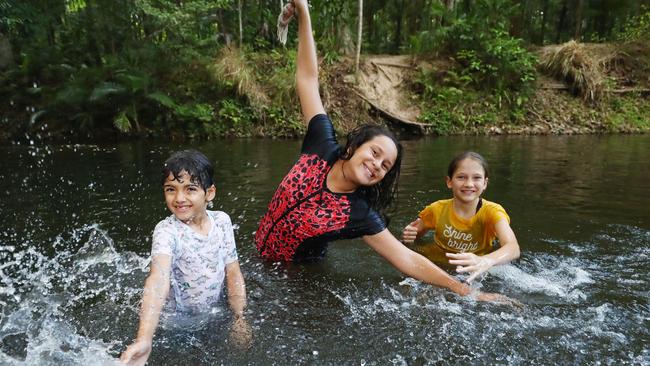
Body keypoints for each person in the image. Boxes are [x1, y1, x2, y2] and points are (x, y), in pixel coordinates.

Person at [255, 0, 504, 302]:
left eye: (385, 166)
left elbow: (408, 260)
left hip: (297, 277)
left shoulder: (357, 212)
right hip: (258, 255)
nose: (377, 165)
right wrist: (304, 13)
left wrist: (468, 292)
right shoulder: (321, 144)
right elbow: (307, 79)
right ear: (354, 146)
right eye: (374, 153)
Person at [120, 150, 250, 366]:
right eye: (171, 190)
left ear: (209, 193)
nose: (179, 198)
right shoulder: (166, 232)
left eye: (190, 189)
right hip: (175, 324)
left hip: (212, 313)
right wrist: (144, 339)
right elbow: (157, 279)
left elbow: (233, 270)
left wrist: (239, 318)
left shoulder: (222, 222)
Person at [402, 151, 521, 283]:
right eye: (461, 177)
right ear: (449, 182)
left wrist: (486, 260)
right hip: (435, 265)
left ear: (485, 183)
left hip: (474, 269)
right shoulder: (436, 210)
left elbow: (513, 248)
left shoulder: (492, 212)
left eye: (476, 178)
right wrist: (409, 236)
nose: (469, 184)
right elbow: (413, 238)